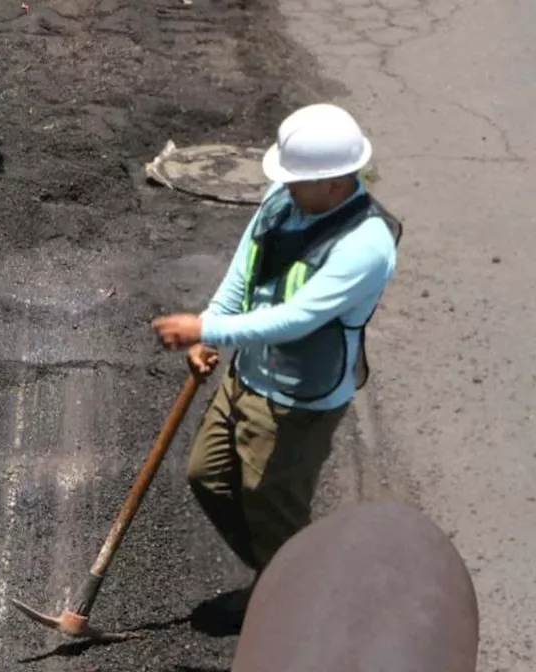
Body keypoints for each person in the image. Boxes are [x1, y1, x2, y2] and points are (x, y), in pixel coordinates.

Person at [150, 103, 400, 620]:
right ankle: (287, 578)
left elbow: (297, 319)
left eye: (296, 179)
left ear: (333, 181)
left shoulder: (366, 244)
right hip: (247, 375)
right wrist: (210, 323)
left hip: (297, 402)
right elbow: (245, 270)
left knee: (273, 508)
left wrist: (205, 329)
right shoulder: (282, 200)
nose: (284, 185)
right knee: (208, 475)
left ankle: (296, 611)